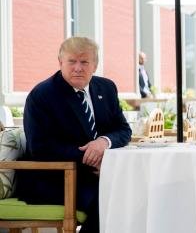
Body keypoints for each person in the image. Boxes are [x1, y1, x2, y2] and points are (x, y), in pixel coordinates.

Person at [17, 37, 132, 233]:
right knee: (111, 197)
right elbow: (42, 148)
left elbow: (123, 130)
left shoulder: (106, 88)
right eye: (72, 61)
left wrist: (103, 142)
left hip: (99, 175)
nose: (78, 68)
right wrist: (94, 158)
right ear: (60, 62)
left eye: (84, 62)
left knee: (138, 191)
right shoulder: (42, 95)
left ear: (94, 66)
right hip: (54, 179)